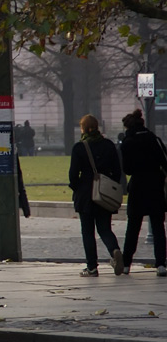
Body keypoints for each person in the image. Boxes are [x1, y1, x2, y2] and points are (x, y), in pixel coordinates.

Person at [69, 114, 124, 277]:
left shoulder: (79, 147)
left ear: (83, 128)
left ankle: (92, 267)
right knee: (104, 228)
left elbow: (73, 174)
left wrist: (77, 187)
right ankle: (114, 250)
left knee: (87, 231)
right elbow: (117, 170)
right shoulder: (108, 145)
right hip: (104, 192)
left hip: (86, 194)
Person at [118, 109, 167, 276]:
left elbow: (128, 169)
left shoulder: (128, 142)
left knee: (133, 227)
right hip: (155, 185)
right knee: (158, 226)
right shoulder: (154, 138)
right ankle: (161, 263)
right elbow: (165, 161)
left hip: (138, 186)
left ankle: (126, 264)